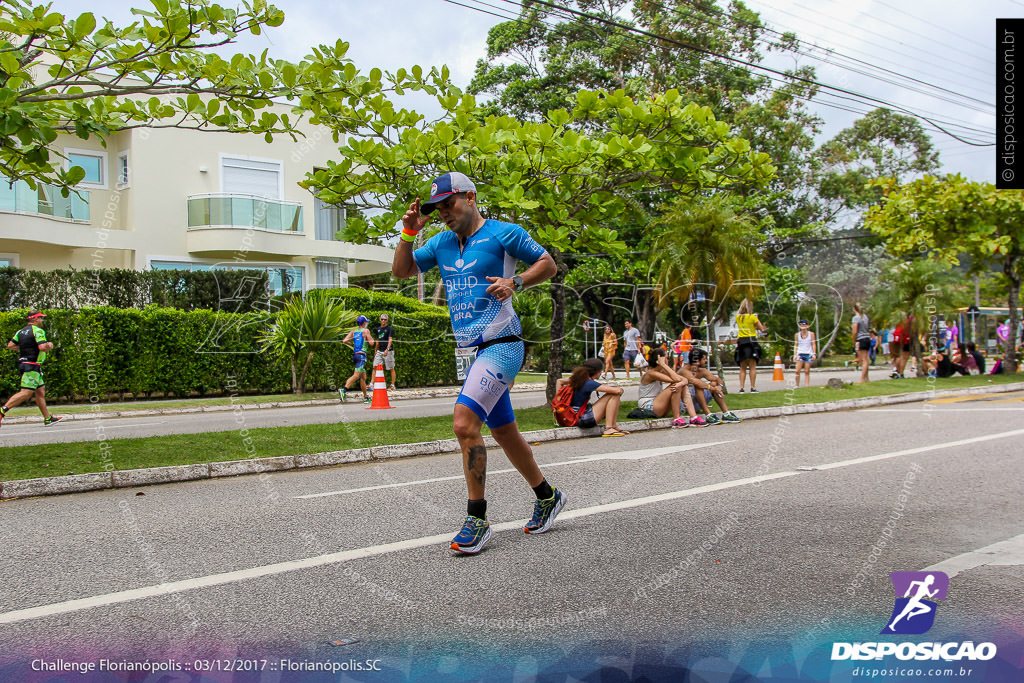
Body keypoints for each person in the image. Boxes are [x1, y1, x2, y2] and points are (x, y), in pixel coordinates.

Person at [393, 171, 561, 554]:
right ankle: (547, 496)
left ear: (470, 197)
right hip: (472, 353)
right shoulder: (439, 243)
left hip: (502, 344)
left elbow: (547, 264)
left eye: (448, 204)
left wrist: (515, 282)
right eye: (436, 209)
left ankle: (477, 518)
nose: (443, 213)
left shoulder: (505, 233)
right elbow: (401, 272)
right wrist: (407, 232)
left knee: (464, 423)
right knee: (503, 432)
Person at [1, 311, 63, 427]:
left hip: (27, 364)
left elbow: (10, 345)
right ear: (35, 319)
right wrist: (49, 345)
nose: (42, 320)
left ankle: (47, 418)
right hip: (32, 365)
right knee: (26, 393)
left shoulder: (21, 331)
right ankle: (2, 410)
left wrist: (26, 347)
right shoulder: (38, 331)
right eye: (40, 318)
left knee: (40, 391)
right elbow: (42, 347)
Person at [554, 358, 627, 436]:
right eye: (600, 371)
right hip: (583, 418)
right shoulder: (589, 383)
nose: (600, 373)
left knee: (614, 394)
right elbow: (617, 391)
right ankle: (609, 428)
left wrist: (558, 402)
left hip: (572, 416)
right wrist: (621, 390)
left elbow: (559, 381)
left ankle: (614, 426)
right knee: (614, 394)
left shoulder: (577, 378)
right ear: (596, 371)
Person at [637, 347, 705, 427]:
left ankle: (693, 417)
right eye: (666, 358)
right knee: (677, 385)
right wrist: (663, 365)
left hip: (658, 405)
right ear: (660, 359)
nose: (668, 360)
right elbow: (677, 379)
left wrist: (681, 382)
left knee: (680, 385)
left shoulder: (661, 371)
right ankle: (676, 419)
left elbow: (683, 379)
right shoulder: (651, 373)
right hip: (648, 406)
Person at [686, 347, 742, 423]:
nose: (706, 361)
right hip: (686, 404)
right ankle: (708, 414)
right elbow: (697, 382)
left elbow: (718, 380)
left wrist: (719, 387)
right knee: (699, 385)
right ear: (697, 361)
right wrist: (714, 389)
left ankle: (726, 413)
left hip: (697, 401)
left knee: (714, 383)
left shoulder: (702, 370)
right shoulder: (685, 370)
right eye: (704, 359)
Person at [341, 315, 375, 403]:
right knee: (356, 375)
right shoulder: (366, 331)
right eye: (366, 322)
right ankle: (344, 390)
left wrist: (353, 345)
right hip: (361, 356)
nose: (366, 323)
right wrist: (370, 338)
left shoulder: (353, 332)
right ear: (364, 323)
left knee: (363, 377)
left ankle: (366, 396)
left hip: (355, 355)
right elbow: (372, 343)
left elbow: (344, 341)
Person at [735, 298, 766, 393]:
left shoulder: (738, 317)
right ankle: (752, 387)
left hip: (741, 342)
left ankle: (741, 388)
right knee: (752, 366)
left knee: (742, 367)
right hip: (751, 341)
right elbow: (761, 329)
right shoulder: (753, 317)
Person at [373, 313, 397, 390]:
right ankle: (371, 383)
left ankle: (392, 385)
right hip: (380, 350)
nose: (383, 321)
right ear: (380, 320)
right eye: (382, 319)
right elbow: (377, 340)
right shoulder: (378, 329)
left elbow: (390, 340)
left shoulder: (389, 329)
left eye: (385, 319)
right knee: (375, 366)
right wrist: (376, 350)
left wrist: (387, 349)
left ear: (387, 320)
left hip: (388, 351)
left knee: (391, 367)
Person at [793, 318, 817, 388]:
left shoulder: (811, 334)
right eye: (801, 324)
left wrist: (814, 353)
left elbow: (813, 344)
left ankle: (807, 386)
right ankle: (796, 385)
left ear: (807, 326)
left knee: (807, 371)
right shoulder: (797, 335)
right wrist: (795, 354)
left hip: (808, 353)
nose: (802, 326)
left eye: (804, 324)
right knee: (797, 370)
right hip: (800, 353)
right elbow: (796, 345)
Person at [851, 303, 871, 383]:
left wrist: (854, 341)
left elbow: (855, 331)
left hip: (860, 339)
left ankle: (862, 379)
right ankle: (866, 378)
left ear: (854, 309)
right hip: (867, 338)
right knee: (866, 359)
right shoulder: (865, 317)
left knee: (863, 360)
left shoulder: (856, 318)